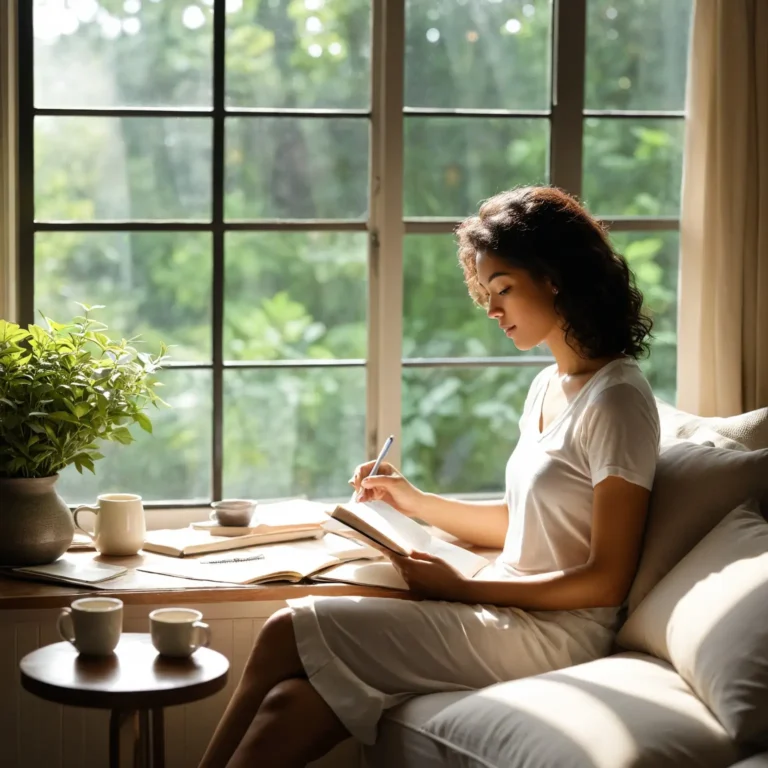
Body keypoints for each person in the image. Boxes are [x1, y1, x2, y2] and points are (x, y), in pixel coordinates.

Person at [199, 186, 661, 768]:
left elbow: (606, 581)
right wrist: (413, 501)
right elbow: (523, 524)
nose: (493, 310)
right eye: (486, 293)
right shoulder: (548, 385)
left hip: (556, 636)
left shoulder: (618, 400)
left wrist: (462, 588)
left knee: (287, 629)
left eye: (505, 289)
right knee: (295, 703)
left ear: (556, 278)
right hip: (509, 610)